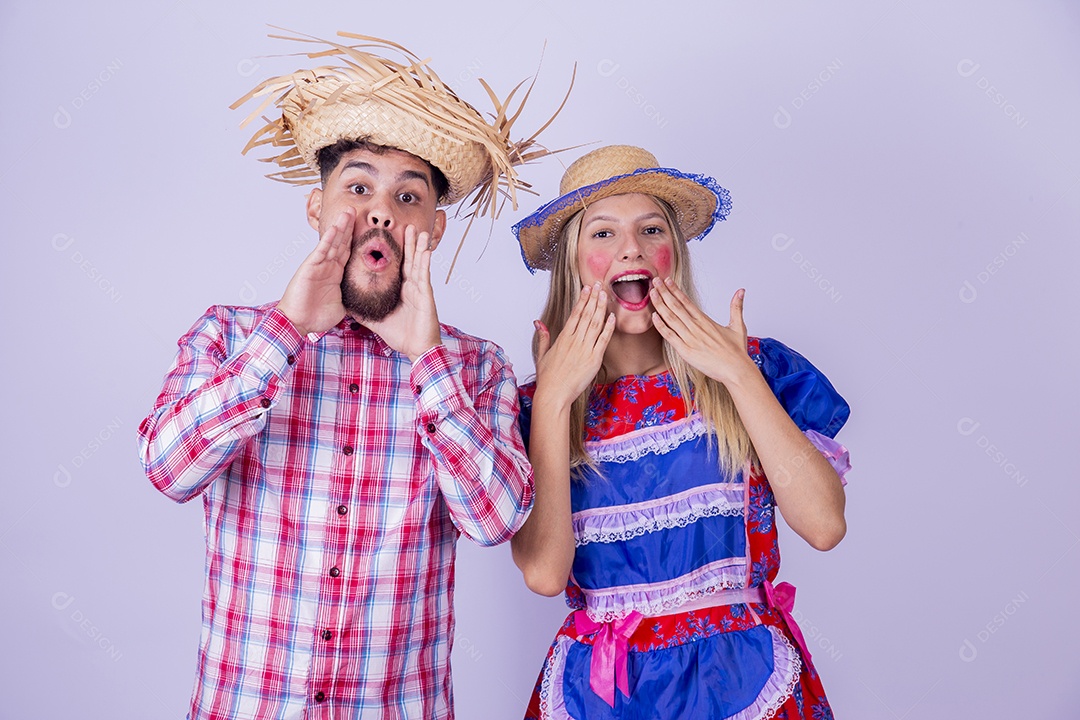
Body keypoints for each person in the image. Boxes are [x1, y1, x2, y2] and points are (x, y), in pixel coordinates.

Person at [138, 30, 561, 720]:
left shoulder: (475, 366)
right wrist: (287, 333)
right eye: (358, 185)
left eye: (409, 196)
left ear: (434, 228)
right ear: (317, 206)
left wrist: (427, 361)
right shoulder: (232, 335)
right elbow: (166, 469)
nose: (380, 211)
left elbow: (493, 521)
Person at [510, 145, 851, 719]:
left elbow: (824, 525)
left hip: (741, 676)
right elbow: (545, 574)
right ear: (572, 262)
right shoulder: (534, 408)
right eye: (602, 234)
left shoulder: (751, 370)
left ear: (674, 255)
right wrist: (551, 406)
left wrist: (739, 374)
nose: (631, 249)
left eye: (650, 229)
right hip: (604, 695)